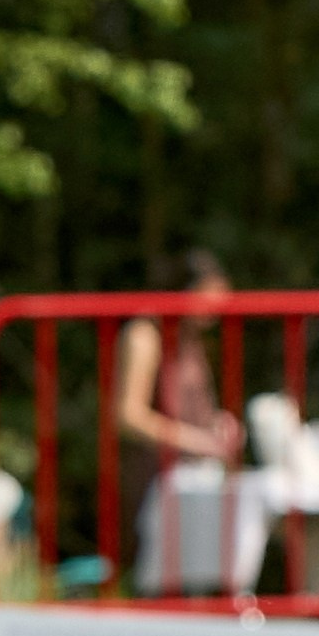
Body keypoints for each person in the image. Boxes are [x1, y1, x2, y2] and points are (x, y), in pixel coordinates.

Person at [115, 249, 242, 592]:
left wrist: (219, 425)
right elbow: (128, 415)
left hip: (196, 476)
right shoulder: (144, 335)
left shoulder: (190, 338)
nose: (214, 313)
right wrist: (194, 440)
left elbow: (196, 405)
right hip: (154, 479)